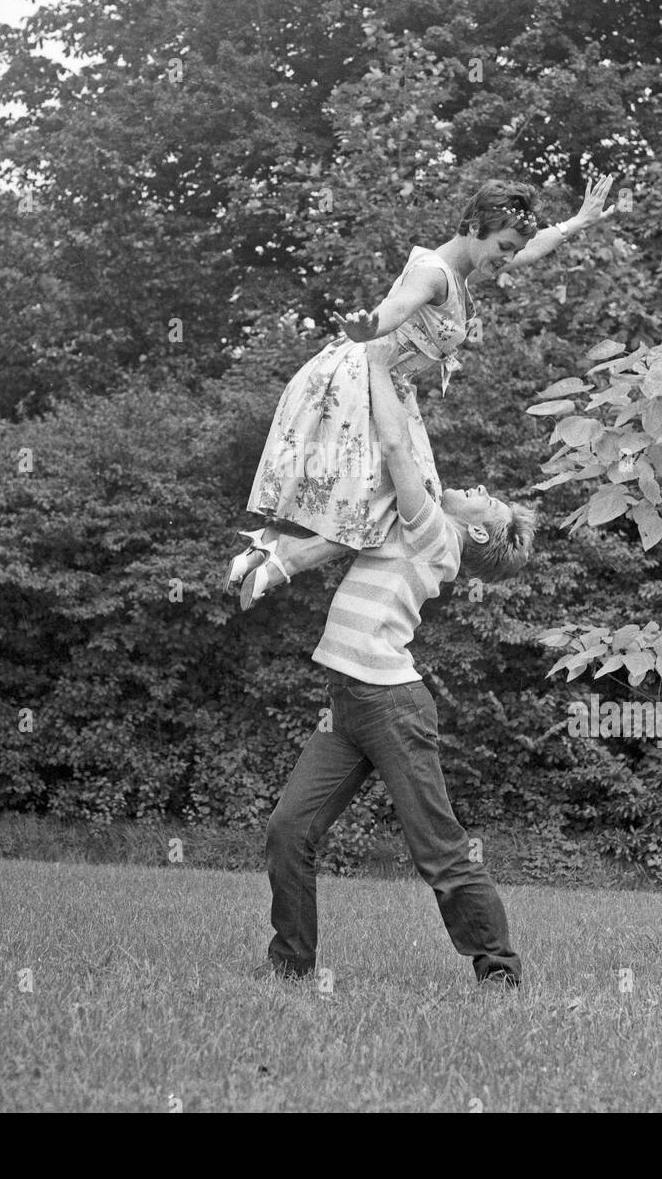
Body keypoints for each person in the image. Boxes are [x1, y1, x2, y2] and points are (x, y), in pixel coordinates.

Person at [255, 338, 536, 987]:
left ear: (482, 532)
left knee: (436, 847)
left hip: (391, 708)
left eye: (489, 502)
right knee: (288, 829)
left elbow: (396, 452)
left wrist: (378, 365)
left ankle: (499, 972)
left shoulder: (437, 534)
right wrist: (402, 385)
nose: (482, 488)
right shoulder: (426, 520)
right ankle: (291, 967)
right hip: (350, 706)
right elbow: (407, 443)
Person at [228, 175, 613, 608]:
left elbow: (532, 248)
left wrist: (578, 221)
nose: (510, 258)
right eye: (504, 247)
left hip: (388, 384)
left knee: (414, 508)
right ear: (472, 228)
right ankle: (280, 555)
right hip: (363, 378)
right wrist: (371, 325)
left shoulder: (465, 270)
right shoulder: (435, 274)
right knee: (405, 508)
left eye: (514, 249)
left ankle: (273, 549)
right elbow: (399, 306)